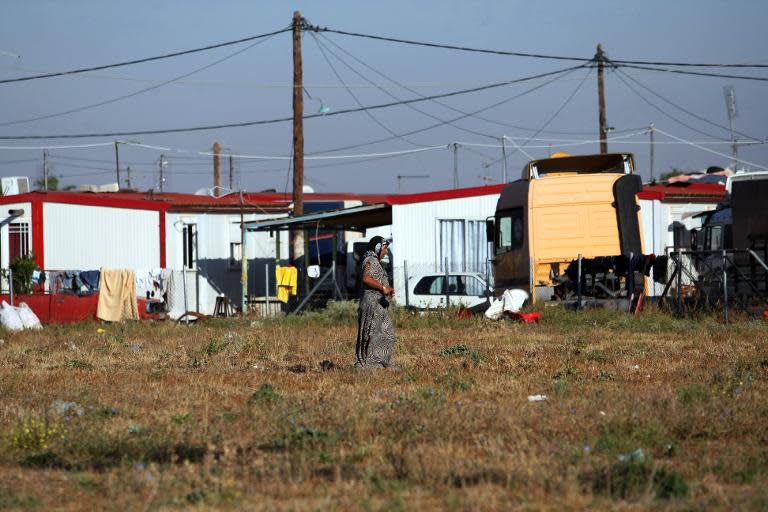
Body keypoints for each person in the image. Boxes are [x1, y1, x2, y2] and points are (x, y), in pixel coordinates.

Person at [355, 236, 396, 369]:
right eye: (385, 248)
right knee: (370, 332)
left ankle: (379, 362)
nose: (386, 251)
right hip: (371, 302)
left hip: (379, 303)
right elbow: (366, 278)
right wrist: (383, 288)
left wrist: (387, 291)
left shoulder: (376, 261)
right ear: (377, 247)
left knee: (386, 331)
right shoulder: (370, 260)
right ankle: (365, 364)